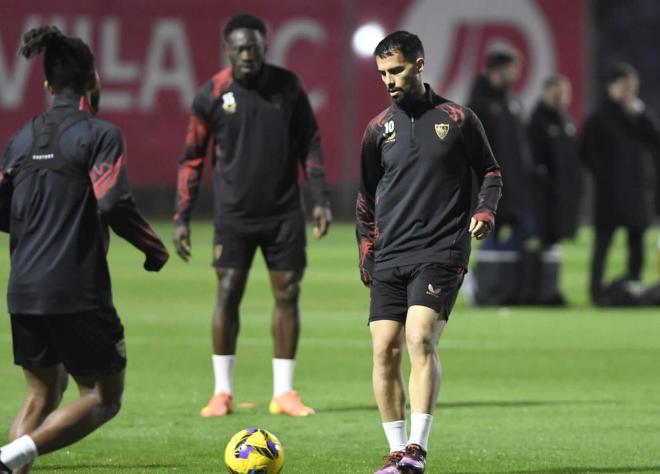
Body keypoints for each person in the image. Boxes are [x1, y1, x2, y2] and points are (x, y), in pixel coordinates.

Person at [0, 26, 169, 474]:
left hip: (22, 289)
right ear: (94, 79)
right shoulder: (100, 134)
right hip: (76, 291)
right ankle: (7, 458)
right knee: (103, 397)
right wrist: (152, 248)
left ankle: (10, 463)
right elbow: (111, 199)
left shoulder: (20, 137)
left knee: (42, 394)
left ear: (46, 85)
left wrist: (35, 228)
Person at [357, 31, 502, 473]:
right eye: (382, 73)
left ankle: (418, 448)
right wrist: (366, 249)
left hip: (441, 248)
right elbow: (365, 197)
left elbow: (491, 172)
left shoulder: (458, 118)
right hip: (391, 252)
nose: (389, 80)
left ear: (420, 64)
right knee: (384, 349)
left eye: (396, 70)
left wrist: (485, 209)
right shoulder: (378, 129)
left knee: (419, 337)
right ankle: (396, 451)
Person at [173, 14, 332, 418]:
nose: (248, 55)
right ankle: (221, 392)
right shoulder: (211, 94)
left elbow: (310, 143)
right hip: (234, 215)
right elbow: (192, 159)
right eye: (240, 48)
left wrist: (319, 198)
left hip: (283, 214)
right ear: (227, 49)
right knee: (227, 294)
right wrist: (182, 216)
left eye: (255, 48)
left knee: (288, 294)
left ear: (265, 47)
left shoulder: (288, 87)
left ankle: (284, 393)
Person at [580, 63, 660, 304]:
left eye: (632, 87)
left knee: (636, 241)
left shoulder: (637, 115)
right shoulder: (599, 117)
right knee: (603, 242)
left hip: (636, 191)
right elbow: (586, 152)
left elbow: (656, 139)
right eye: (624, 86)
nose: (629, 92)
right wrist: (605, 176)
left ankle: (633, 286)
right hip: (610, 193)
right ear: (611, 87)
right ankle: (596, 291)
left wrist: (643, 114)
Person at [467, 47, 532, 249]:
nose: (517, 74)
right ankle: (483, 276)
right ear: (497, 70)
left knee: (527, 228)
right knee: (493, 232)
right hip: (491, 185)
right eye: (512, 69)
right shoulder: (478, 104)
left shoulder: (512, 102)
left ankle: (492, 274)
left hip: (514, 185)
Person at [526, 75, 582, 305]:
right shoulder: (537, 122)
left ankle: (550, 289)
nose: (562, 97)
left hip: (561, 196)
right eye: (557, 92)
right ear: (546, 91)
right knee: (541, 243)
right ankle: (539, 290)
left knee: (553, 245)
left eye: (564, 92)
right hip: (542, 197)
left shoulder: (565, 122)